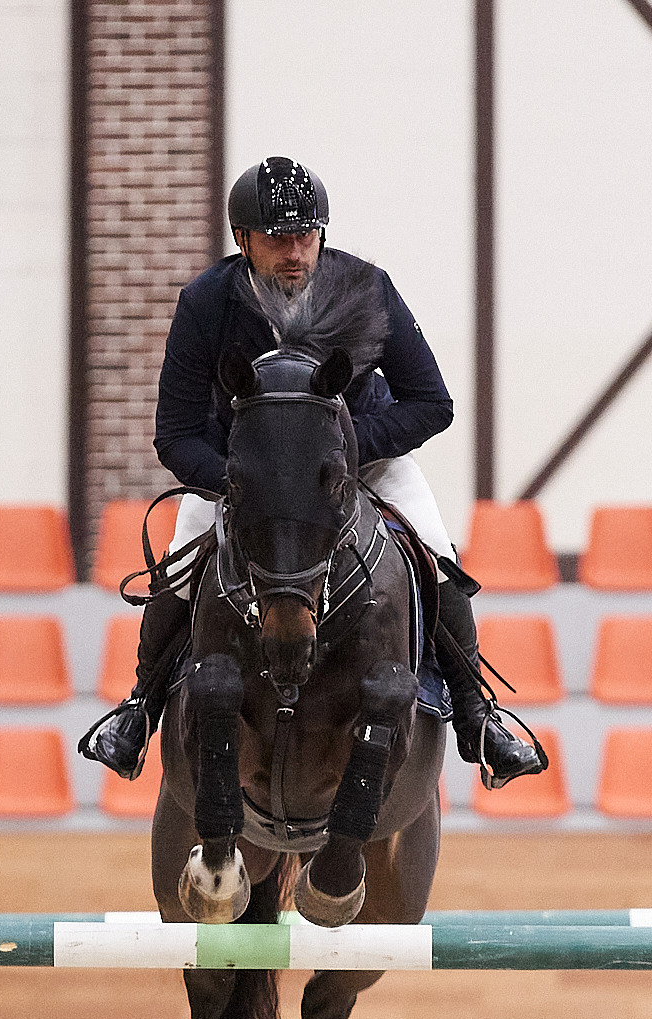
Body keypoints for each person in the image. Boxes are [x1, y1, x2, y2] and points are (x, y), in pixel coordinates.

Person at [80, 155, 547, 788]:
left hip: (359, 467)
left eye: (306, 235)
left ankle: (477, 717)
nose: (296, 252)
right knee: (179, 566)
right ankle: (141, 708)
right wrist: (244, 482)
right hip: (243, 479)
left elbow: (431, 403)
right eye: (278, 239)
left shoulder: (365, 287)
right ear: (243, 239)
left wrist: (341, 459)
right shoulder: (206, 303)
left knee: (437, 558)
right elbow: (176, 434)